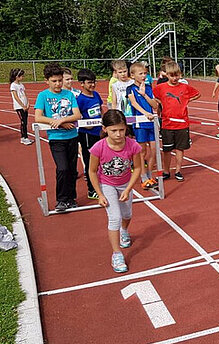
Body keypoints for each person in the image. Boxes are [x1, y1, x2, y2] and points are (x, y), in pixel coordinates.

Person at [88, 110, 143, 273]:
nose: (118, 134)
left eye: (122, 129)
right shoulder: (98, 148)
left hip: (125, 183)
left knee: (127, 215)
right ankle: (116, 253)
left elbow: (138, 168)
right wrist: (100, 193)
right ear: (105, 129)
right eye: (114, 130)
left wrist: (128, 188)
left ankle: (124, 231)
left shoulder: (133, 145)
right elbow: (92, 171)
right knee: (115, 218)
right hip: (107, 185)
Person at [33, 63, 82, 213]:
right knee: (62, 168)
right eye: (54, 81)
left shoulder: (69, 94)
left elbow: (77, 115)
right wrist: (59, 124)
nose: (58, 84)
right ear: (46, 81)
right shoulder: (43, 96)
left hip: (72, 136)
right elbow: (38, 117)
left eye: (60, 80)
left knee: (72, 169)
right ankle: (61, 199)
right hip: (56, 138)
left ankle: (71, 198)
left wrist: (63, 120)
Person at [154, 61, 200, 182]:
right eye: (172, 75)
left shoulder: (185, 87)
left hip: (182, 123)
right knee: (167, 150)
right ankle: (166, 171)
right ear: (167, 75)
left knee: (180, 149)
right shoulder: (161, 87)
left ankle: (178, 170)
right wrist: (161, 103)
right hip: (167, 124)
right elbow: (154, 97)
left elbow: (197, 94)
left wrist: (187, 101)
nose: (175, 78)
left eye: (177, 75)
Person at [126, 61, 160, 190]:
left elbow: (155, 105)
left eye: (145, 73)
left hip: (151, 123)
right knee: (142, 151)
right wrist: (146, 113)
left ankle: (150, 174)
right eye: (141, 73)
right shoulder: (130, 88)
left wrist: (144, 94)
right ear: (133, 75)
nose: (144, 76)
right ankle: (143, 176)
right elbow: (134, 103)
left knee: (154, 150)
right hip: (140, 122)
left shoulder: (148, 88)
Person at [76, 68, 106, 200]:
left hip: (99, 132)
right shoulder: (80, 100)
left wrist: (104, 123)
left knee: (101, 160)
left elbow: (100, 109)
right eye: (89, 82)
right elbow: (77, 116)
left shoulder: (96, 95)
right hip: (87, 134)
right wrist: (87, 123)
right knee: (90, 161)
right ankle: (91, 189)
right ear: (81, 84)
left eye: (94, 82)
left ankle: (101, 184)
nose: (92, 85)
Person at [10, 68, 33, 145]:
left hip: (25, 106)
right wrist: (22, 105)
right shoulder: (13, 85)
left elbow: (24, 94)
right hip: (19, 107)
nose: (23, 77)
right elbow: (16, 97)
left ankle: (25, 137)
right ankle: (24, 138)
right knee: (23, 122)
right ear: (17, 76)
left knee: (25, 122)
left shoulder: (21, 85)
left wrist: (28, 103)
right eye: (21, 76)